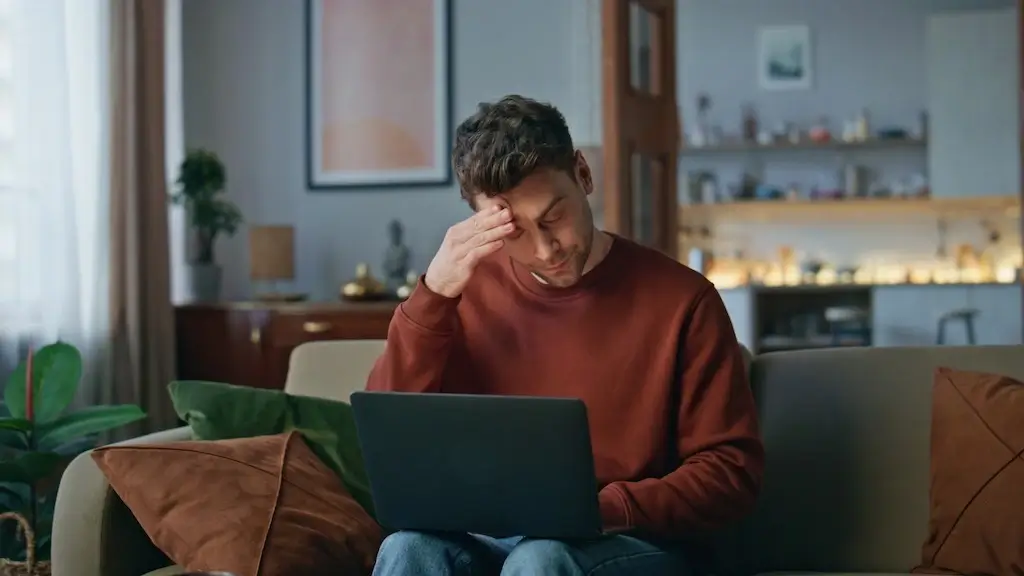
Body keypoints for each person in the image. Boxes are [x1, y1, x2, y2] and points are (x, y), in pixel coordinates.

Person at [366, 95, 764, 576]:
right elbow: (389, 444)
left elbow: (731, 473)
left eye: (554, 217)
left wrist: (606, 508)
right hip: (493, 538)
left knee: (541, 558)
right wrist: (431, 296)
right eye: (513, 231)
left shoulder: (685, 300)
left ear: (583, 174)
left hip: (632, 541)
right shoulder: (459, 294)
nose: (545, 249)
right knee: (409, 549)